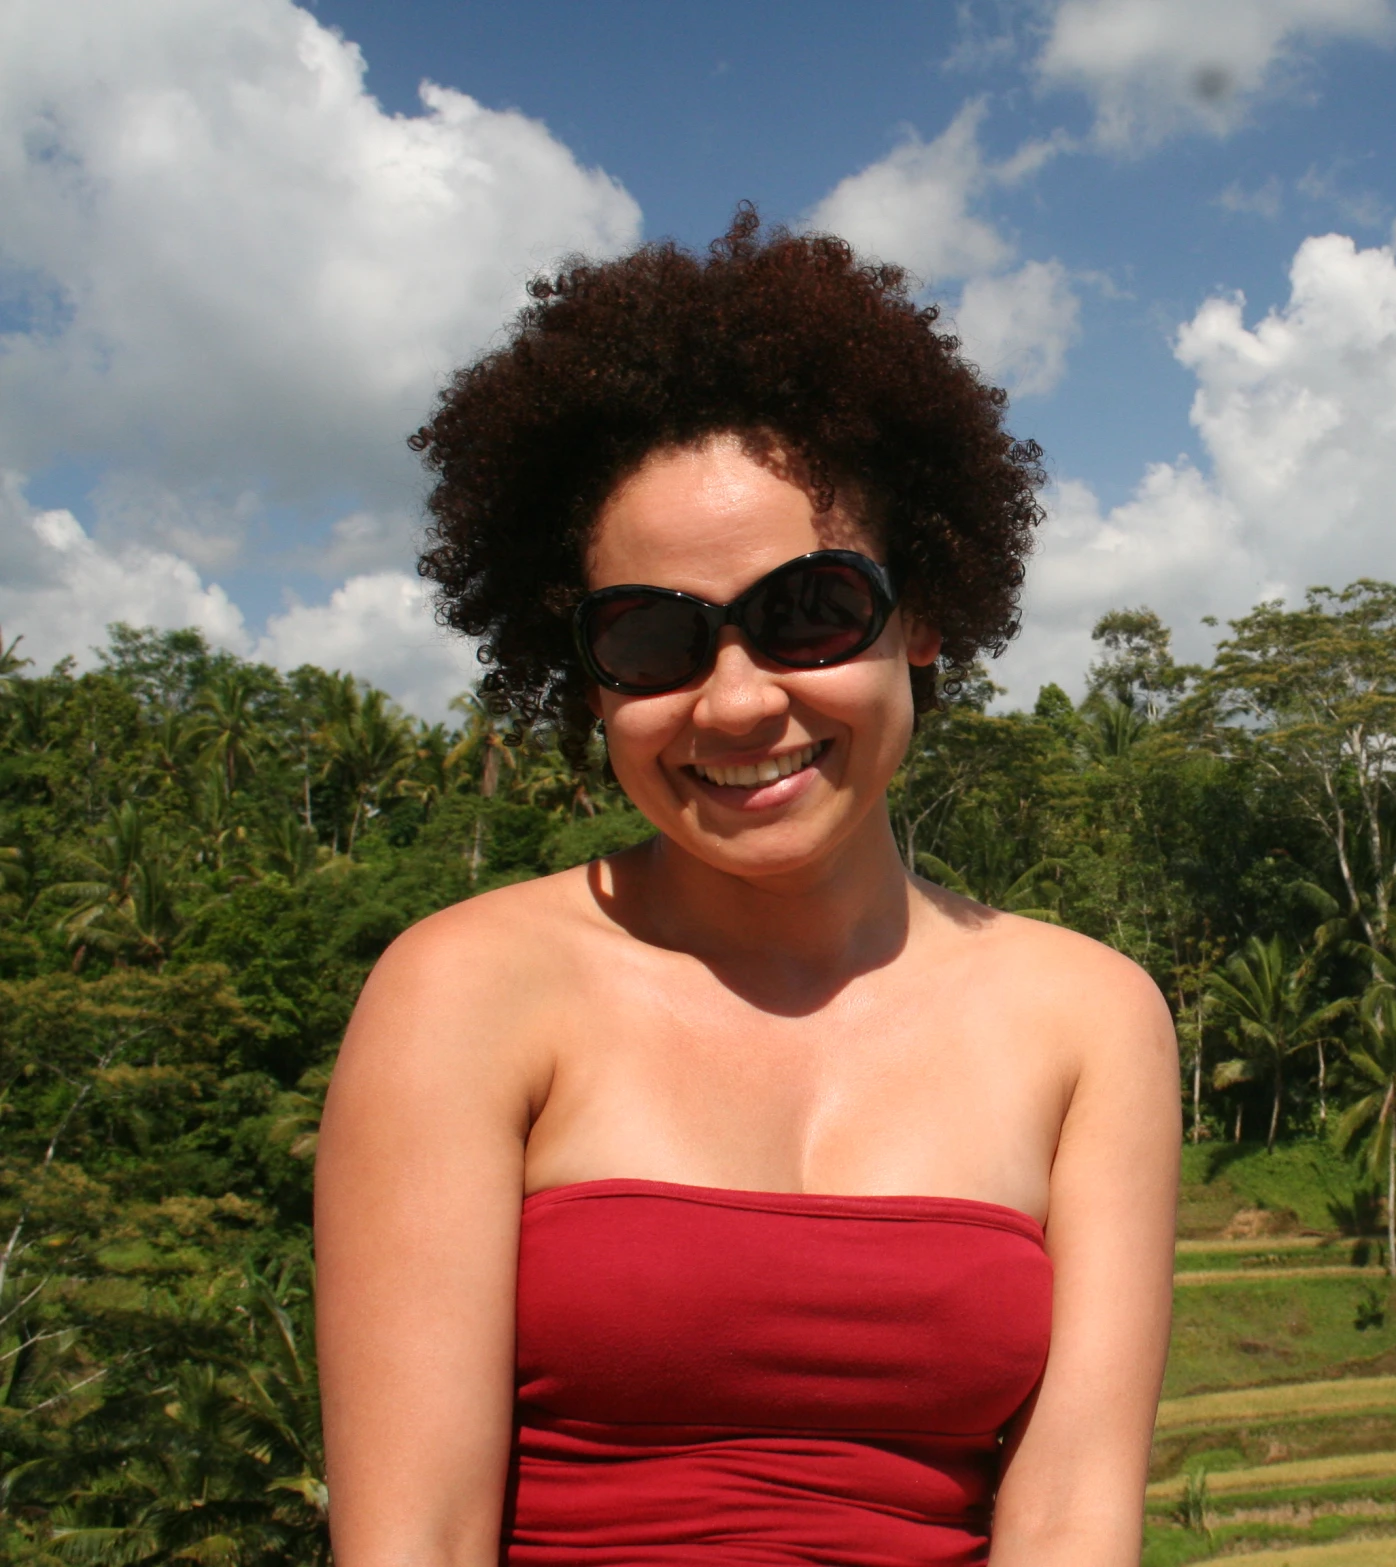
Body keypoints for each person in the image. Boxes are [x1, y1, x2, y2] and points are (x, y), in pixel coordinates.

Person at [313, 210, 1179, 1567]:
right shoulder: (467, 989)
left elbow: (1072, 1517)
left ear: (927, 612)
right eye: (649, 636)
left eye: (809, 611)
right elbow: (409, 1534)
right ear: (586, 677)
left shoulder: (1087, 1016)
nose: (731, 700)